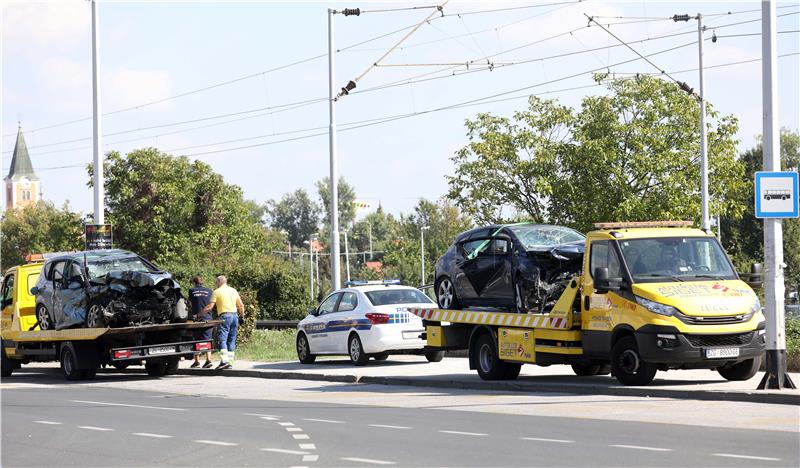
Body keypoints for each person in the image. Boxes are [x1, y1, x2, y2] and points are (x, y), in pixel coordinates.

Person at [202, 275, 244, 370]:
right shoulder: (233, 290)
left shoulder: (217, 292)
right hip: (235, 316)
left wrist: (198, 315)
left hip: (225, 316)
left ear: (219, 282)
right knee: (232, 339)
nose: (215, 284)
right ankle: (230, 363)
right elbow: (241, 305)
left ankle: (224, 361)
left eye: (216, 282)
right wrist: (242, 317)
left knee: (222, 339)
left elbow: (209, 307)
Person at [188, 276, 214, 369]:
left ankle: (197, 361)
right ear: (202, 282)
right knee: (208, 339)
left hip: (196, 318)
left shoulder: (191, 290)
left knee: (196, 340)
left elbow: (190, 303)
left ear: (194, 283)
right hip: (207, 317)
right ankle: (208, 360)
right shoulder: (210, 291)